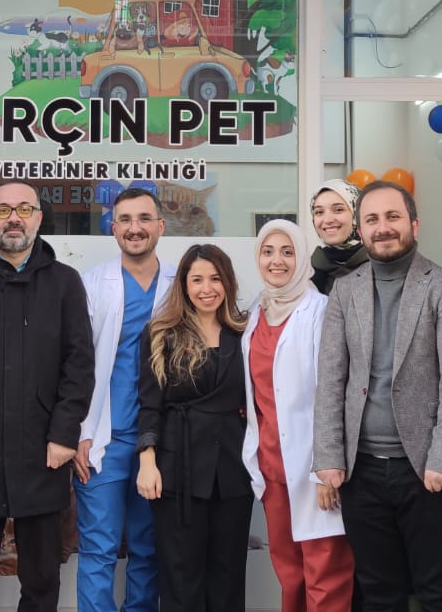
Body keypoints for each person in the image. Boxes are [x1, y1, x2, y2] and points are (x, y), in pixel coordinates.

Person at [314, 180, 442, 612]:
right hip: (361, 471)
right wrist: (328, 454)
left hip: (427, 470)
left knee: (440, 589)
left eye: (392, 217)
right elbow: (331, 376)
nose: (382, 227)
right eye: (372, 219)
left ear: (414, 224)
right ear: (361, 230)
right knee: (378, 591)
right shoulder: (345, 290)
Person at [0, 182, 96, 612]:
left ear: (39, 218)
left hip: (44, 449)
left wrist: (64, 434)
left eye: (24, 209)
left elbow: (79, 364)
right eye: (3, 210)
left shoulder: (65, 282)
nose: (14, 218)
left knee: (42, 577)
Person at [243, 220, 353, 612]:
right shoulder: (257, 311)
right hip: (272, 466)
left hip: (314, 467)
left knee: (326, 573)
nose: (277, 261)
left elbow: (335, 391)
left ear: (302, 257)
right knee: (289, 572)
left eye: (288, 252)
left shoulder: (320, 311)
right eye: (268, 251)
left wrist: (326, 469)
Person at [136, 245, 250, 612]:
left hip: (232, 470)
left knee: (228, 574)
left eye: (215, 279)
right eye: (197, 279)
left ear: (227, 282)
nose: (207, 288)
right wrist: (147, 461)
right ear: (184, 285)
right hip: (177, 469)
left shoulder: (244, 332)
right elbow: (149, 403)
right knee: (181, 576)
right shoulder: (161, 333)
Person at [76, 187, 173, 612]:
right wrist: (78, 433)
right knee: (98, 547)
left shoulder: (181, 284)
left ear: (160, 226)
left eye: (144, 218)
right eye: (126, 220)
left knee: (148, 548)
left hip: (161, 441)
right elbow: (74, 364)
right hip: (105, 438)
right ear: (113, 228)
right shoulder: (91, 284)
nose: (135, 228)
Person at [309, 180, 367, 295]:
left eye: (338, 210)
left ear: (357, 214)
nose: (327, 220)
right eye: (319, 212)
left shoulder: (380, 266)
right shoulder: (308, 272)